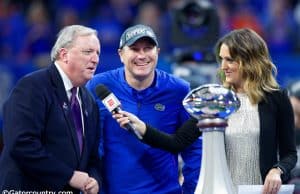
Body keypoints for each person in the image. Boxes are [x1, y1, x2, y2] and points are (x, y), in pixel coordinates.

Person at [113, 28, 297, 194]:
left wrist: (277, 169)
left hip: (261, 191)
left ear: (250, 61)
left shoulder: (277, 98)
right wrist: (143, 128)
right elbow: (177, 142)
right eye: (222, 59)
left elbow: (290, 154)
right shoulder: (215, 98)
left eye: (230, 60)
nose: (223, 66)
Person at [86, 24, 202, 194]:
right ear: (121, 55)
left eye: (148, 48)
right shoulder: (99, 85)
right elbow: (90, 144)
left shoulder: (179, 90)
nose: (142, 55)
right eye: (134, 49)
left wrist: (192, 189)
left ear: (158, 52)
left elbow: (193, 149)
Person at [0, 25, 102, 193]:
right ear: (64, 55)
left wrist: (94, 180)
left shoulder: (89, 101)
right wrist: (68, 176)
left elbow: (92, 157)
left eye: (97, 53)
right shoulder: (33, 86)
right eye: (88, 52)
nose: (95, 59)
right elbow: (21, 144)